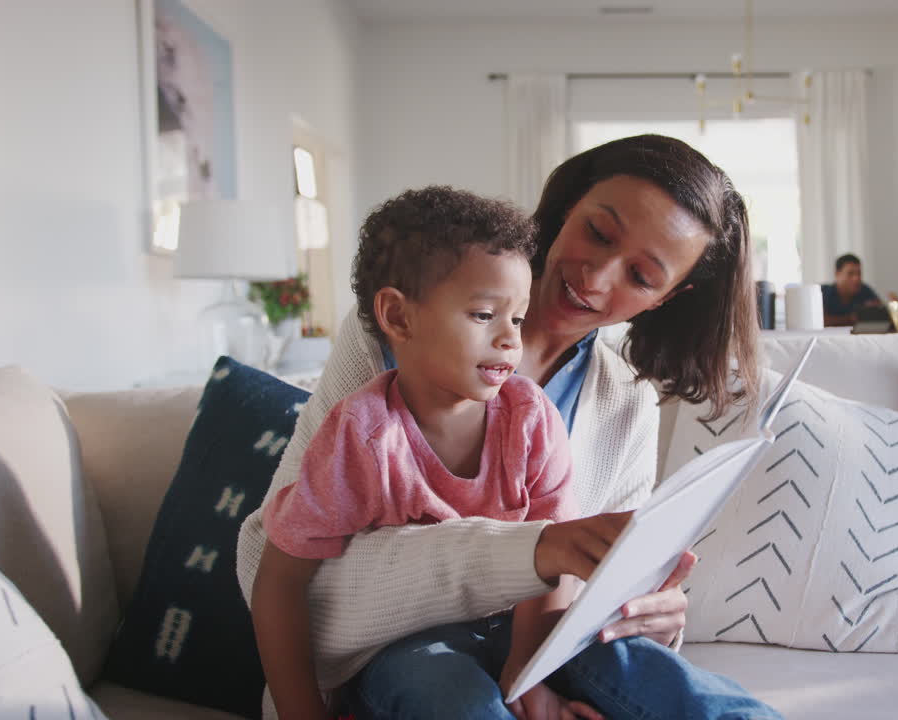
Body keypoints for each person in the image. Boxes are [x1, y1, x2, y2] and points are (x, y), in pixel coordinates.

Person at [235, 135, 776, 718]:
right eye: (598, 232)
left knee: (687, 695)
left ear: (668, 298)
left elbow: (584, 576)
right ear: (568, 205)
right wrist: (531, 553)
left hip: (544, 654)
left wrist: (638, 609)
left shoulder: (625, 397)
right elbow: (269, 565)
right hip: (404, 659)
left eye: (642, 276)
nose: (596, 276)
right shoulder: (395, 336)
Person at [821, 253, 881, 327]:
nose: (856, 278)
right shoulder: (823, 292)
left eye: (859, 273)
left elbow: (881, 314)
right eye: (850, 273)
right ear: (837, 274)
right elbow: (819, 321)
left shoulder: (865, 290)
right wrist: (850, 319)